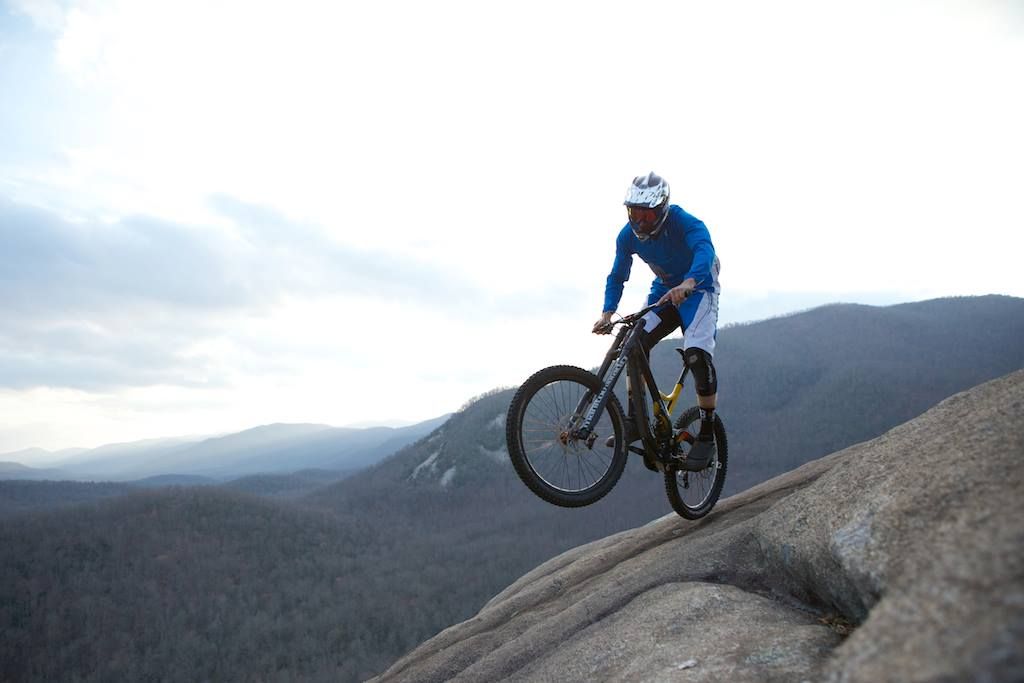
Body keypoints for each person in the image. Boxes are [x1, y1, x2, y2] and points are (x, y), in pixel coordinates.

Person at [593, 172, 721, 467]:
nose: (638, 222)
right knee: (630, 340)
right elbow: (617, 274)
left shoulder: (685, 222)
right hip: (664, 292)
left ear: (662, 209)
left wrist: (689, 282)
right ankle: (635, 420)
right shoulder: (627, 236)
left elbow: (705, 250)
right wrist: (607, 313)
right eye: (633, 213)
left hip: (699, 289)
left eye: (646, 215)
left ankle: (707, 434)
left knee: (697, 357)